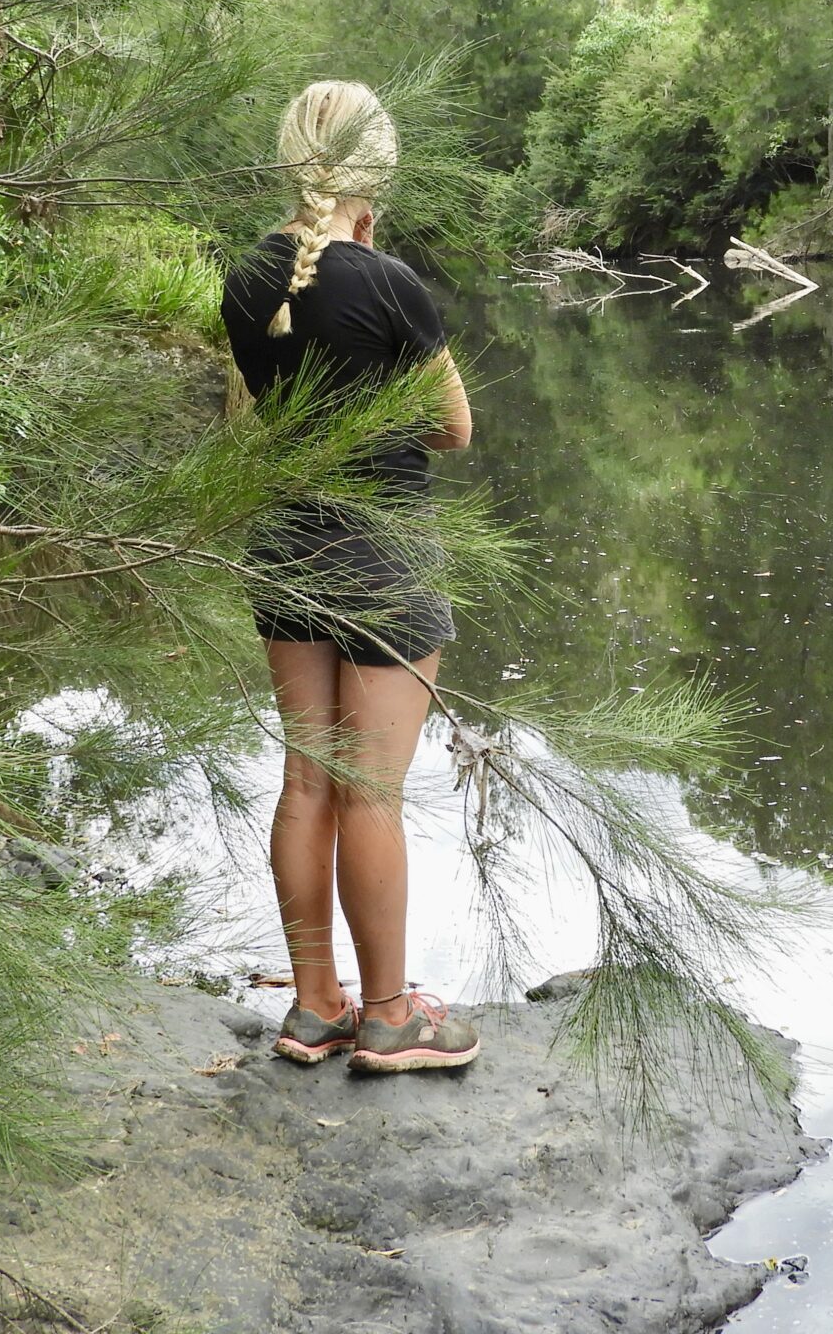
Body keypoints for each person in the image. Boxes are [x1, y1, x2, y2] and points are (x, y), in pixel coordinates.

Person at [220, 80, 481, 1075]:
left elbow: (251, 422)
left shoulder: (248, 277)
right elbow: (454, 429)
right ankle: (389, 1018)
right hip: (384, 553)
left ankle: (314, 1009)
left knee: (304, 783)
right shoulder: (389, 283)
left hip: (285, 542)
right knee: (369, 792)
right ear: (380, 172)